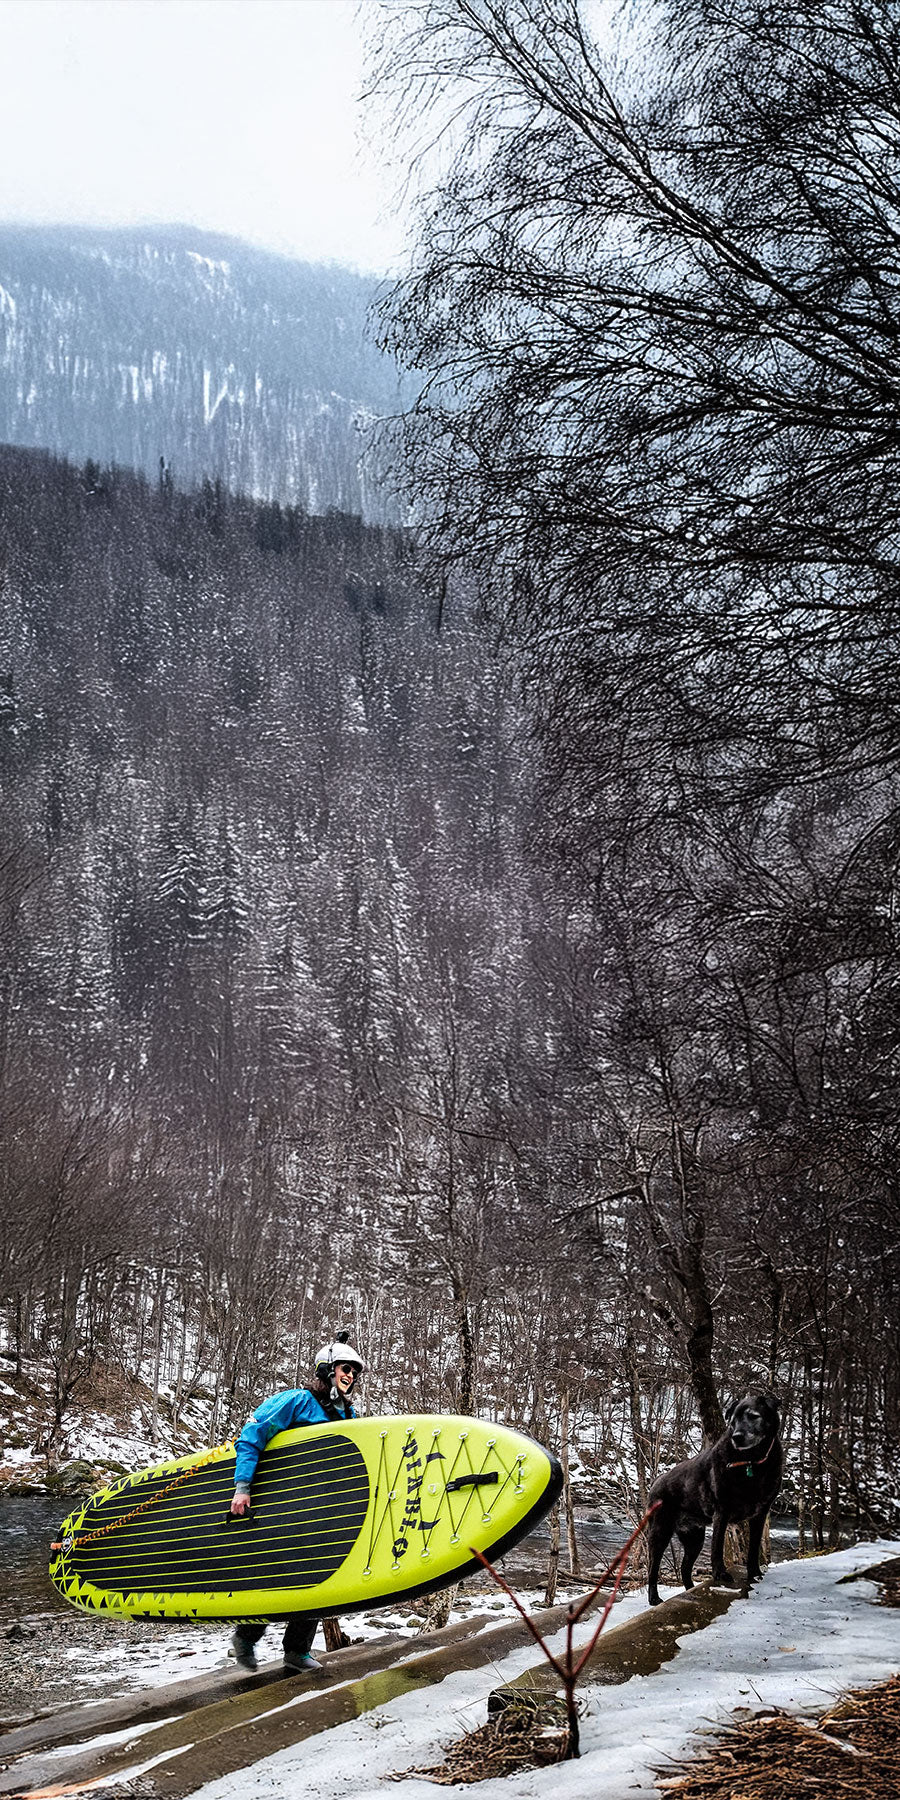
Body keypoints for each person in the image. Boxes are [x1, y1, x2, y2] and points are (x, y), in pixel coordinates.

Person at [228, 1335, 364, 1674]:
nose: (350, 1377)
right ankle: (246, 1636)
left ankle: (297, 1652)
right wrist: (242, 1488)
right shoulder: (297, 1401)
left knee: (321, 1578)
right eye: (346, 1369)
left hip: (326, 1510)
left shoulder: (349, 1415)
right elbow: (251, 1437)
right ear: (328, 1370)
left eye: (354, 1373)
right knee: (280, 1575)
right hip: (284, 1505)